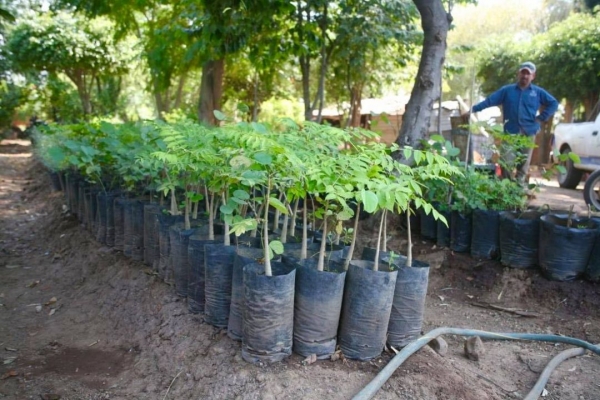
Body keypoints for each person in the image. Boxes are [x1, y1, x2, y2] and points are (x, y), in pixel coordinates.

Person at [467, 61, 559, 182]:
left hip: (528, 132)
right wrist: (472, 110)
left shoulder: (537, 92)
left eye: (528, 74)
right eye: (523, 73)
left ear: (533, 76)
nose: (525, 76)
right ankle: (506, 188)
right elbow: (489, 101)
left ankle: (519, 190)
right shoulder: (507, 90)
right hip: (510, 132)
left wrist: (542, 117)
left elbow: (553, 103)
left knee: (523, 164)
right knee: (506, 162)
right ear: (518, 74)